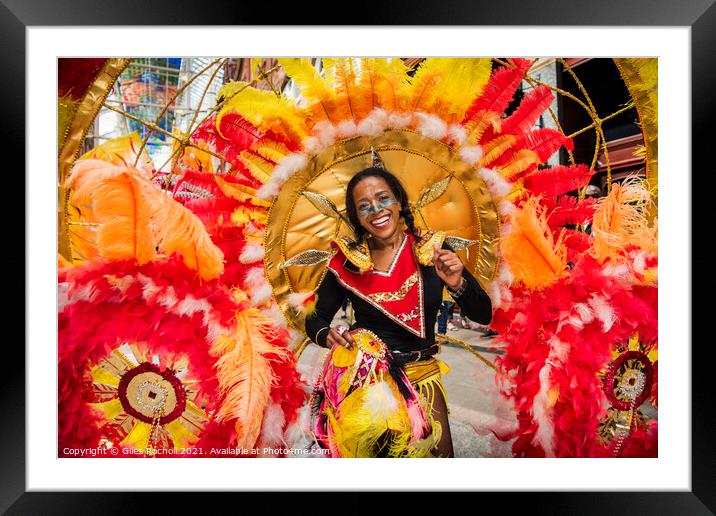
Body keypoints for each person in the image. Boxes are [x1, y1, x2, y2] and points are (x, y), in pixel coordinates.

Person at [305, 166, 492, 457]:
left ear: (400, 202)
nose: (376, 209)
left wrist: (457, 284)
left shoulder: (433, 249)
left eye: (383, 198)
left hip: (424, 379)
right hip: (369, 385)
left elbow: (484, 314)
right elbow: (314, 317)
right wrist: (325, 334)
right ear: (357, 217)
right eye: (364, 206)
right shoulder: (347, 262)